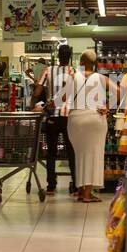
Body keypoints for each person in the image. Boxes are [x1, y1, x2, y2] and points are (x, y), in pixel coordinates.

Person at [68, 49, 109, 203]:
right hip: (94, 118)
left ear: (81, 63)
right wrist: (107, 106)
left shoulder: (73, 77)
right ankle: (87, 194)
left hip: (75, 120)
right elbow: (120, 92)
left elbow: (64, 97)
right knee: (93, 156)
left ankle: (80, 191)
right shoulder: (101, 78)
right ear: (95, 63)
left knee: (80, 155)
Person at [35, 45, 76, 194]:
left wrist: (34, 106)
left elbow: (37, 90)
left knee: (51, 152)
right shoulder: (73, 72)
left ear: (58, 56)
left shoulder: (48, 70)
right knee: (71, 151)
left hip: (51, 116)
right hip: (68, 117)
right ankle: (76, 185)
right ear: (70, 56)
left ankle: (51, 185)